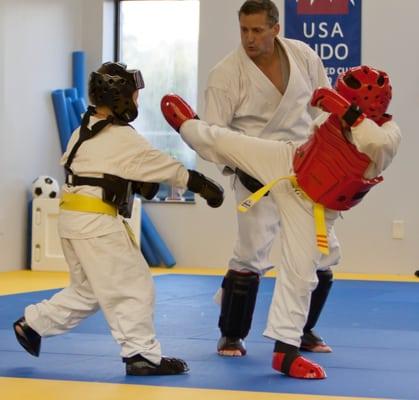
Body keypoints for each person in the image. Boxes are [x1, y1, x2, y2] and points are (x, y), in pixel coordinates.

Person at [161, 65, 401, 378]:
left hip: (311, 205)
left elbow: (376, 144)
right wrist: (256, 169)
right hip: (291, 163)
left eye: (347, 100)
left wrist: (345, 111)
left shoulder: (388, 134)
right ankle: (188, 126)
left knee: (302, 272)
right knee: (228, 143)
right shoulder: (331, 115)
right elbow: (317, 140)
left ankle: (285, 352)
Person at [13, 62, 224, 376]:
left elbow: (102, 168)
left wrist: (133, 181)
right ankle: (141, 355)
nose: (137, 102)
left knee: (87, 291)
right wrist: (204, 187)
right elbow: (165, 167)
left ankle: (33, 324)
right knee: (133, 286)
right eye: (135, 96)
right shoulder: (121, 136)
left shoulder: (83, 128)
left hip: (72, 220)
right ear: (120, 97)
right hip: (96, 224)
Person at [203, 0, 334, 357]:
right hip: (255, 171)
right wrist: (240, 166)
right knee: (250, 255)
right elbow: (212, 135)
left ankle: (303, 330)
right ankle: (231, 334)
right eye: (244, 29)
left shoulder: (303, 56)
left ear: (275, 28)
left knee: (321, 252)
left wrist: (328, 157)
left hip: (304, 169)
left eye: (257, 30)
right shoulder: (226, 74)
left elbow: (326, 106)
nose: (249, 38)